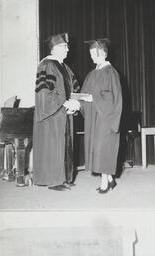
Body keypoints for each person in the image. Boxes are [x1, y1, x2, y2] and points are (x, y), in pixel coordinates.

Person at [33, 32, 80, 191]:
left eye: (67, 46)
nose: (67, 49)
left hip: (64, 113)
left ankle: (64, 177)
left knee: (66, 144)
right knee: (54, 145)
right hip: (52, 115)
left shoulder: (66, 68)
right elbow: (44, 92)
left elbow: (74, 89)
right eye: (63, 46)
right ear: (53, 49)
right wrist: (64, 103)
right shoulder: (47, 65)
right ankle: (54, 180)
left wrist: (76, 102)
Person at [79, 38, 123, 193]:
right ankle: (110, 179)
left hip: (105, 118)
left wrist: (94, 98)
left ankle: (105, 181)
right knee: (97, 149)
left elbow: (113, 99)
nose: (92, 57)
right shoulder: (92, 74)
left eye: (94, 53)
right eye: (90, 54)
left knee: (103, 148)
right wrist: (78, 103)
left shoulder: (111, 73)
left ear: (104, 53)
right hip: (94, 118)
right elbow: (85, 94)